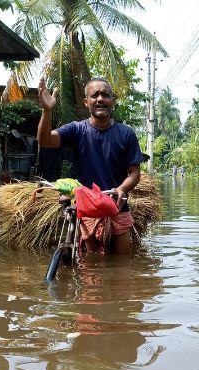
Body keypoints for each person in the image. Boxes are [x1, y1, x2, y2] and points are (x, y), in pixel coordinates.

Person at [37, 77, 144, 253]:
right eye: (95, 95)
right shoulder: (77, 130)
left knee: (123, 269)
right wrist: (47, 111)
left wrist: (121, 189)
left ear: (112, 101)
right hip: (87, 210)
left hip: (118, 208)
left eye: (105, 95)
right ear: (87, 102)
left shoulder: (126, 133)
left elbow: (135, 173)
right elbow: (45, 140)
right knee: (89, 270)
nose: (100, 99)